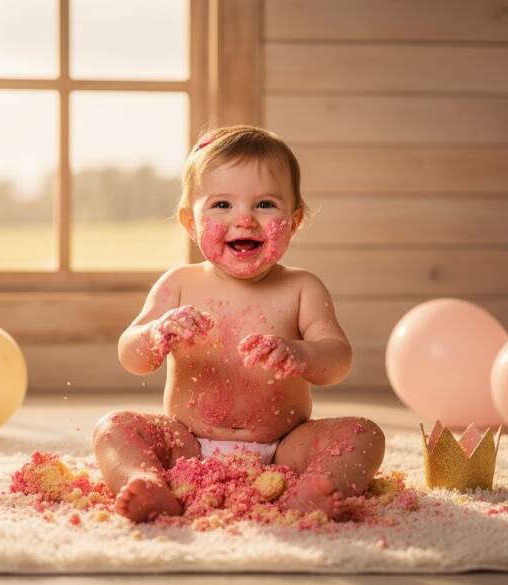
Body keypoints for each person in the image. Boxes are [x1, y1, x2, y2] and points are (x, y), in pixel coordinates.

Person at [93, 125, 385, 522]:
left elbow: (337, 361)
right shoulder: (179, 284)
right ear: (189, 222)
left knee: (365, 435)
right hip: (188, 444)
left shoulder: (302, 287)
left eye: (265, 204)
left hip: (285, 447)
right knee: (114, 427)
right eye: (222, 205)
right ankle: (146, 482)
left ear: (295, 220)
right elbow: (132, 356)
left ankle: (312, 489)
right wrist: (157, 334)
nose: (244, 219)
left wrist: (301, 353)